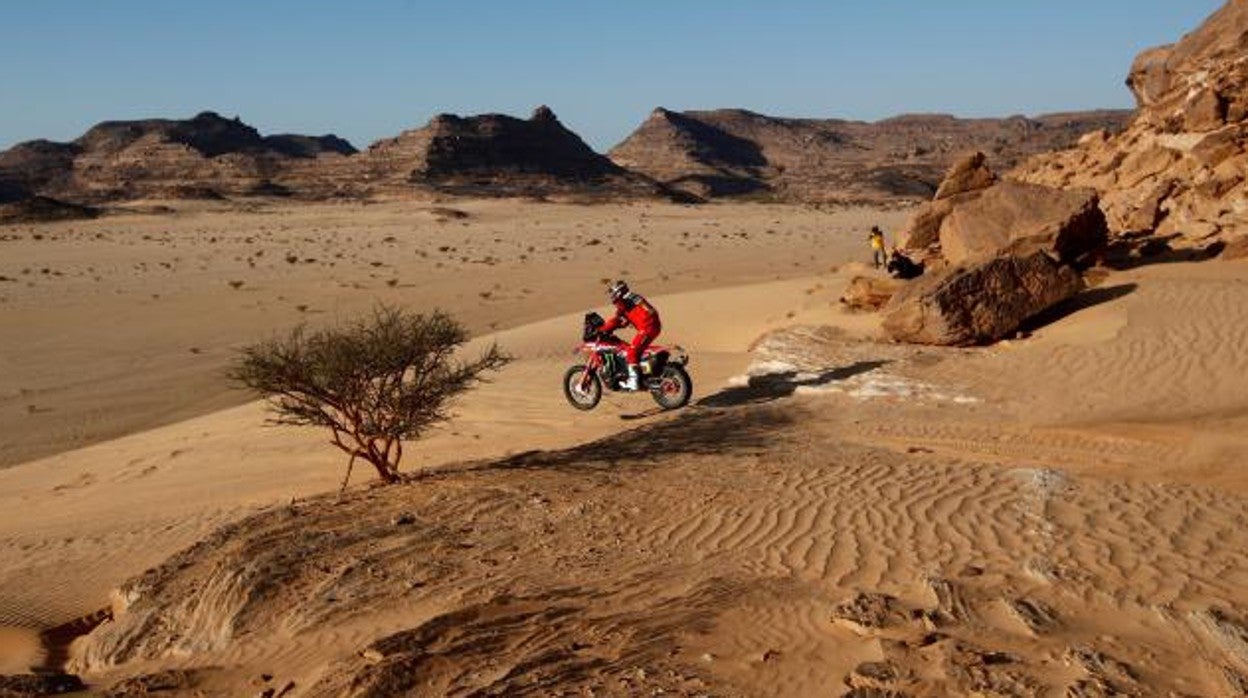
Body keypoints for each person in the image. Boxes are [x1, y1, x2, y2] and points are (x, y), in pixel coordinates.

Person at [600, 280, 661, 391]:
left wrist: (602, 329)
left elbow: (617, 319)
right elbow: (624, 321)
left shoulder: (623, 301)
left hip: (647, 327)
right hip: (652, 325)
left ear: (618, 292)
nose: (612, 297)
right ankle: (645, 376)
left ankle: (634, 382)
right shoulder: (632, 298)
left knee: (631, 352)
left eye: (612, 294)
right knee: (638, 352)